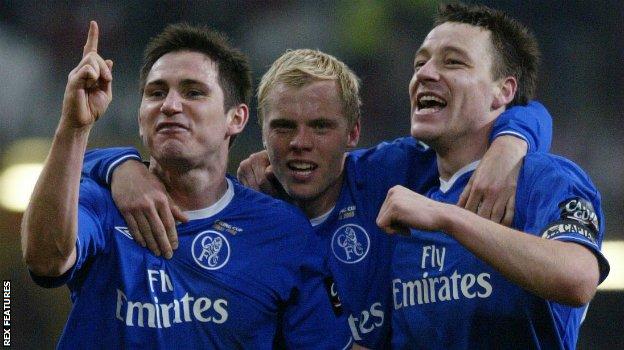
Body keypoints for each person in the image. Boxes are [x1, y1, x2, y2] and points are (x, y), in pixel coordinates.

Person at [83, 46, 552, 348]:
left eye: (321, 127)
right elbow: (72, 174)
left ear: (353, 133)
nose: (300, 143)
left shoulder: (390, 174)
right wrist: (118, 164)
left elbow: (527, 111)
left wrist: (508, 146)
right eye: (283, 127)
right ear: (255, 129)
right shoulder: (246, 209)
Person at [21, 21, 351, 348]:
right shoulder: (101, 201)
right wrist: (75, 126)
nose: (170, 105)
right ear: (140, 117)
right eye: (156, 93)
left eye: (193, 92)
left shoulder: (283, 231)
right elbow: (46, 260)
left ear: (235, 118)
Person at [375, 3, 610, 349]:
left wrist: (447, 218)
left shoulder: (543, 178)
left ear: (504, 92)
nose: (424, 73)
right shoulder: (404, 181)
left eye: (453, 61)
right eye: (420, 63)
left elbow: (578, 278)